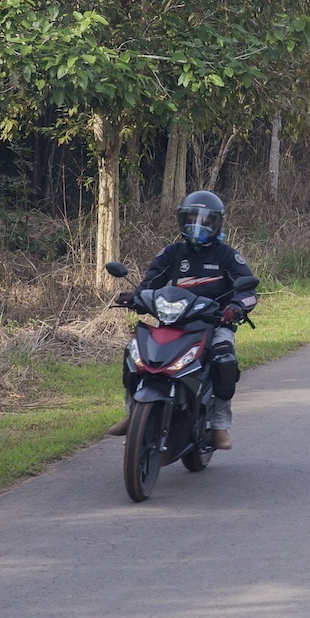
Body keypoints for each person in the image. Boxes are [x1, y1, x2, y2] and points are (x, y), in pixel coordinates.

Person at [108, 190, 256, 450]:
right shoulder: (172, 253)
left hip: (214, 324)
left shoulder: (227, 256)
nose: (197, 225)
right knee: (135, 353)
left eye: (205, 220)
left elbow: (248, 292)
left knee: (224, 358)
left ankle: (219, 425)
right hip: (172, 322)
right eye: (191, 219)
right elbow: (149, 284)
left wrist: (235, 307)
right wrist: (134, 296)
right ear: (181, 220)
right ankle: (133, 413)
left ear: (217, 223)